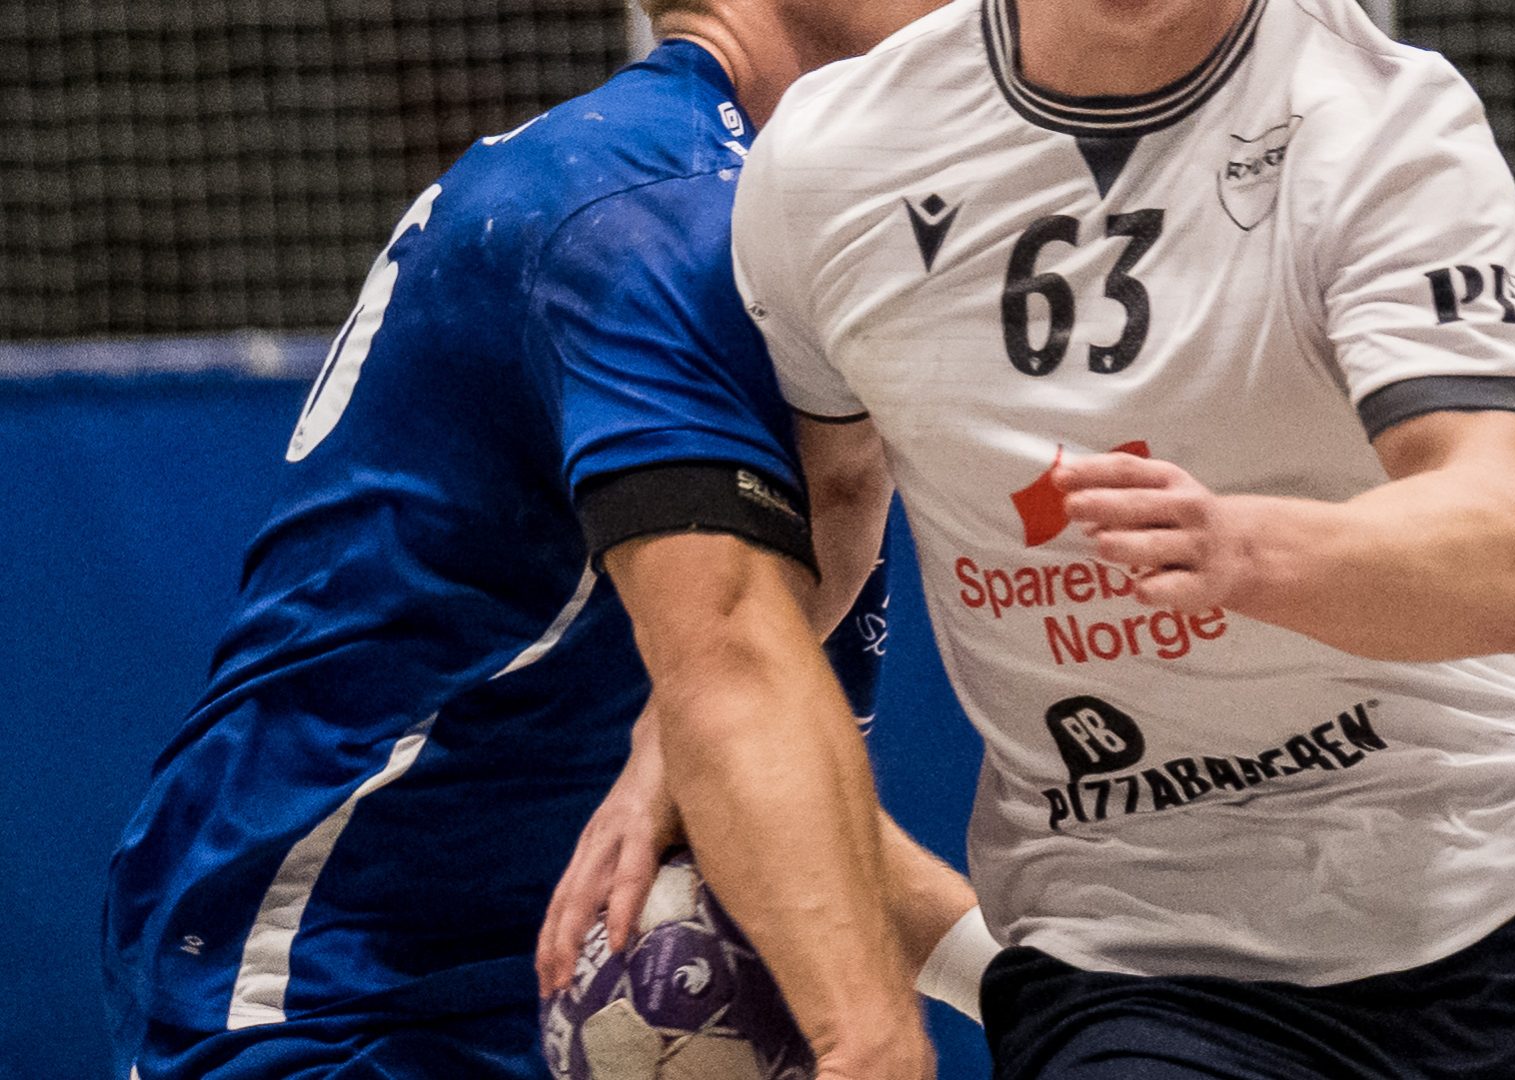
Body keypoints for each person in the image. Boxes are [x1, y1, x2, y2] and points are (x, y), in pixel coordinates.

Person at [708, 0, 1515, 1076]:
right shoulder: (831, 162)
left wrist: (1248, 552)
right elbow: (825, 509)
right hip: (1144, 962)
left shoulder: (1383, 120)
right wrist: (690, 718)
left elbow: (1511, 549)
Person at [100, 3, 982, 1078]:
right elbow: (731, 679)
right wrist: (871, 1039)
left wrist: (1024, 987)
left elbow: (745, 772)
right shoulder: (652, 205)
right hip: (339, 981)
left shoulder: (759, 215)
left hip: (513, 950)